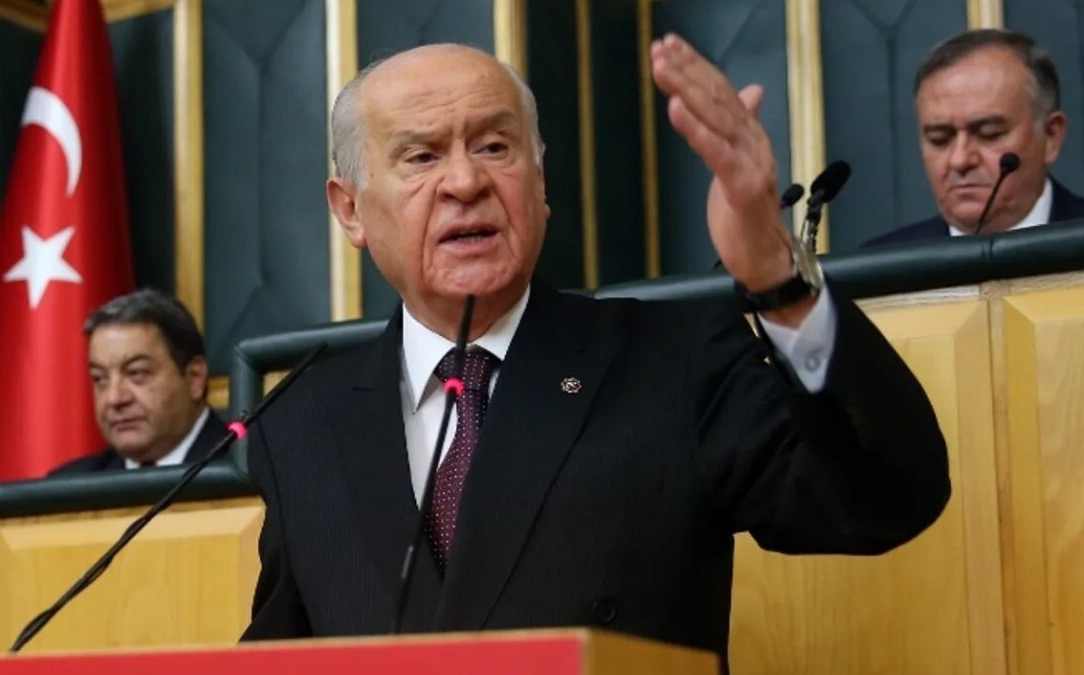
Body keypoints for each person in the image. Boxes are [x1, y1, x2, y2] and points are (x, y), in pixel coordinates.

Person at [241, 39, 949, 661]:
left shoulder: (672, 361)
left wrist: (777, 278)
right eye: (422, 156)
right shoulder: (303, 426)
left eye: (494, 147)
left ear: (540, 180)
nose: (465, 182)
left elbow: (885, 495)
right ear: (351, 209)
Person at [866, 29, 1084, 246]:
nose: (960, 160)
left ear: (1051, 136)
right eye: (939, 139)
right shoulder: (880, 262)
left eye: (989, 134)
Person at [50, 289, 226, 474]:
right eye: (100, 379)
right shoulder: (68, 484)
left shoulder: (244, 471)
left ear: (194, 378)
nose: (114, 399)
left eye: (136, 373)